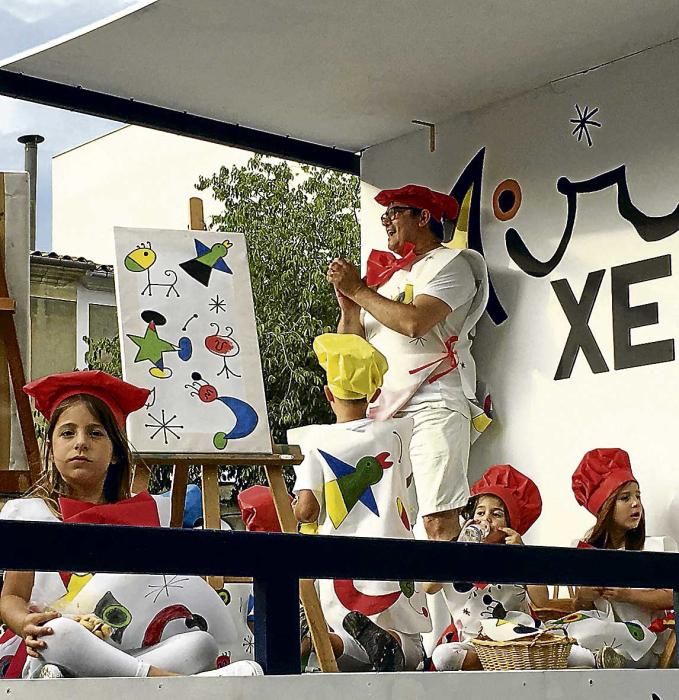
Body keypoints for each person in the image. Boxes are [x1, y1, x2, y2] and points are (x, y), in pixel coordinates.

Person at [0, 370, 260, 679]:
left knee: (201, 644)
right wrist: (25, 623)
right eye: (67, 433)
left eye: (95, 433)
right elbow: (12, 597)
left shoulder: (151, 513)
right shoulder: (33, 515)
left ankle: (135, 678)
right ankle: (176, 684)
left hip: (133, 649)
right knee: (57, 634)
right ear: (51, 447)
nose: (81, 443)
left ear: (115, 452)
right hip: (60, 649)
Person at [327, 184, 489, 542]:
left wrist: (358, 290)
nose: (386, 220)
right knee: (389, 525)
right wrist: (349, 307)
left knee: (437, 520)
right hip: (386, 412)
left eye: (395, 211)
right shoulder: (384, 283)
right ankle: (404, 599)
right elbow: (354, 350)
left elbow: (416, 322)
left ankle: (446, 597)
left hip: (435, 403)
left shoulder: (454, 264)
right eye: (384, 214)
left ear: (424, 217)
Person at [289, 333, 430, 672]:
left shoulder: (313, 441)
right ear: (374, 393)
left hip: (339, 561)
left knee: (340, 635)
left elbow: (307, 509)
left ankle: (328, 644)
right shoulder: (394, 434)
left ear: (327, 394)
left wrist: (292, 505)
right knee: (410, 641)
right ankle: (391, 644)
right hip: (396, 557)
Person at [554, 447, 676, 668]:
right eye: (625, 498)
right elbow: (580, 609)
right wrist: (584, 596)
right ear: (606, 508)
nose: (636, 503)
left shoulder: (658, 547)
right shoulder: (584, 551)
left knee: (604, 631)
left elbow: (672, 597)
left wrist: (627, 595)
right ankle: (582, 655)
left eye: (638, 496)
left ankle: (583, 656)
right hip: (598, 636)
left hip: (644, 644)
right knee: (569, 627)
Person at [426, 464, 546, 671]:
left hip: (519, 639)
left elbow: (542, 601)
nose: (486, 519)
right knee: (445, 656)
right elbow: (428, 587)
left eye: (496, 514)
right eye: (480, 512)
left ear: (510, 525)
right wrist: (456, 550)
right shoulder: (456, 553)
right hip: (473, 643)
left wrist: (524, 557)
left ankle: (507, 659)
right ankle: (502, 662)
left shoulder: (518, 557)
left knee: (576, 654)